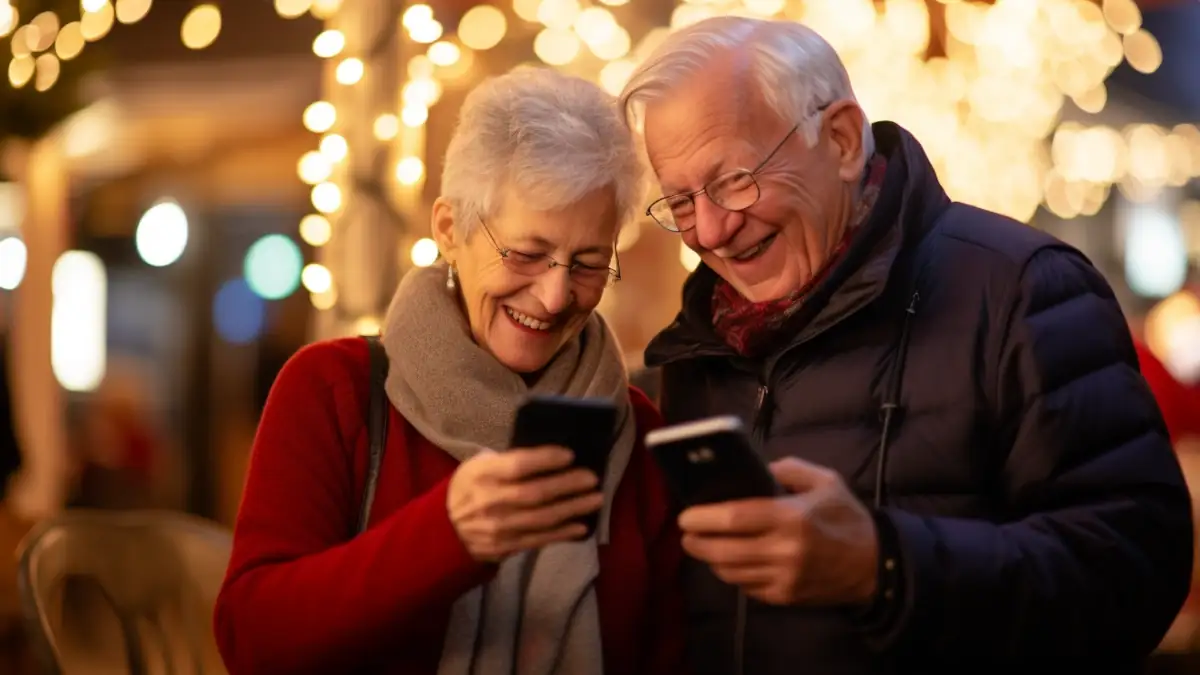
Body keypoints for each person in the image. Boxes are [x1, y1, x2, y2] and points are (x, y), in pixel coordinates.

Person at [620, 16, 1193, 674]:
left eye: (734, 181)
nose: (711, 231)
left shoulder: (1022, 290)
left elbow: (1134, 573)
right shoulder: (696, 353)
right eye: (681, 201)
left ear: (839, 140)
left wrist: (883, 565)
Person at [215, 68, 685, 675]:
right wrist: (445, 536)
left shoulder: (636, 433)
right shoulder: (334, 390)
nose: (553, 295)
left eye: (589, 264)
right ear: (449, 229)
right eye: (526, 253)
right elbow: (251, 639)